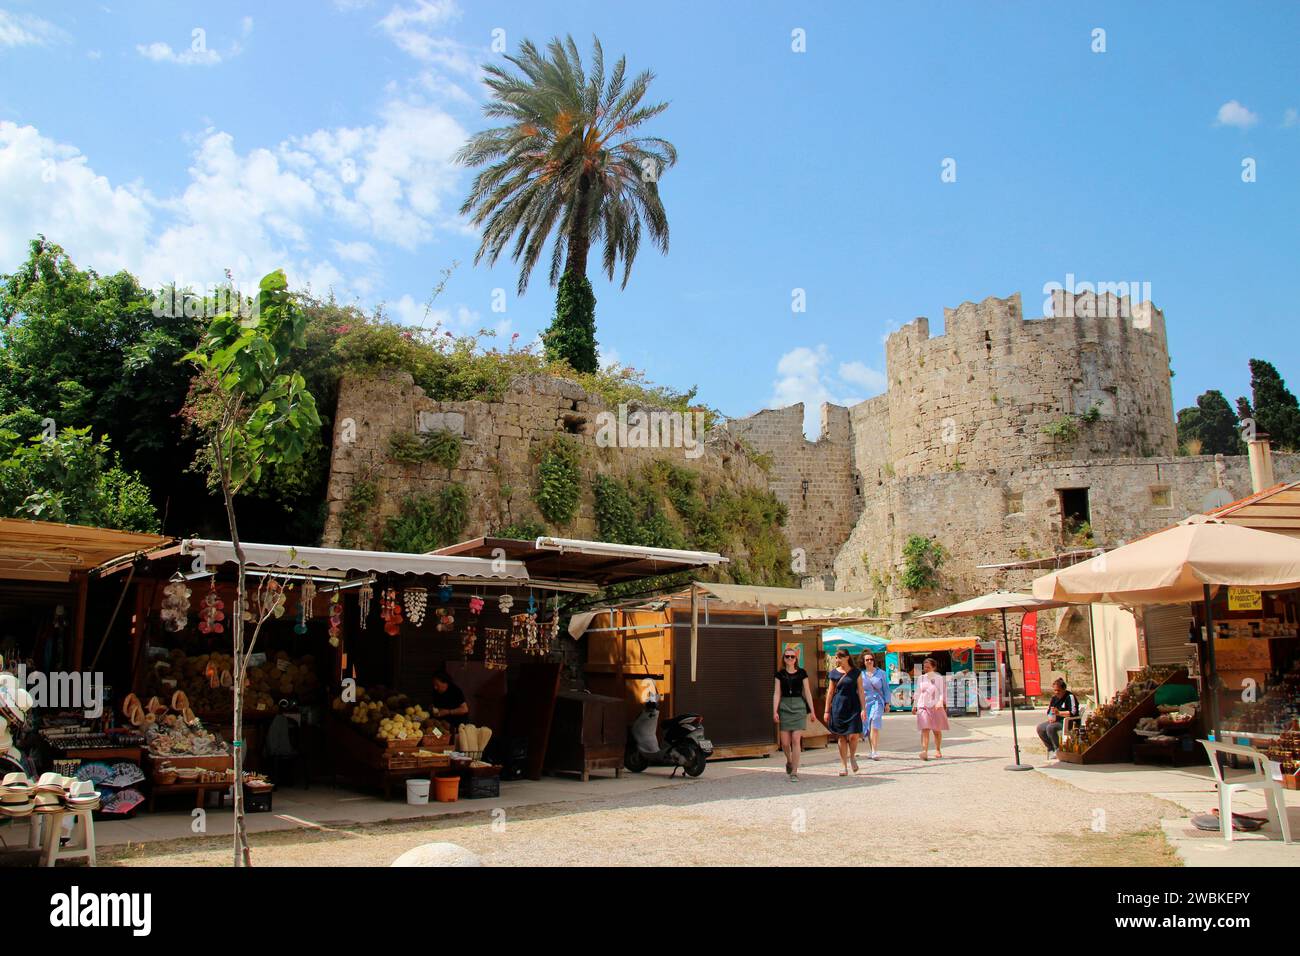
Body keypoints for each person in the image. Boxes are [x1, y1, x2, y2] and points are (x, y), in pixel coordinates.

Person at [773, 648, 817, 782]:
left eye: (793, 657)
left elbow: (807, 692)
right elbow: (777, 693)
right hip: (785, 705)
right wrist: (774, 710)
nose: (790, 659)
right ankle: (789, 760)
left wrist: (812, 711)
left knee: (796, 739)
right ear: (784, 658)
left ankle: (794, 772)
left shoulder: (802, 673)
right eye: (787, 657)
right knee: (785, 743)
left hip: (799, 706)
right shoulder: (779, 674)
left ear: (796, 659)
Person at [823, 648, 866, 776]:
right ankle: (843, 765)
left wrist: (864, 709)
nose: (838, 660)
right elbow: (830, 693)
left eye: (839, 657)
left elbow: (861, 691)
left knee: (854, 735)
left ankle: (852, 756)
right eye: (836, 657)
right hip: (838, 706)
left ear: (847, 657)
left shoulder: (856, 672)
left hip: (853, 705)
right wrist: (826, 711)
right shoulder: (834, 673)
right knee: (841, 737)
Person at [914, 657, 949, 761]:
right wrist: (914, 705)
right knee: (925, 729)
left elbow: (943, 692)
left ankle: (938, 749)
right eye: (925, 667)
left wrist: (941, 702)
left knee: (936, 730)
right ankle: (924, 751)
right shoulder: (921, 678)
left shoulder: (939, 679)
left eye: (928, 667)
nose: (926, 669)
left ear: (934, 667)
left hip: (935, 706)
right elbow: (917, 692)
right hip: (923, 705)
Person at [1037, 677, 1079, 762]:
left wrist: (1059, 713)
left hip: (1068, 721)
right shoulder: (1054, 698)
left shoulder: (1070, 697)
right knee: (1040, 728)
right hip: (1056, 720)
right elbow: (1049, 711)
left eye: (1058, 691)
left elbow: (1073, 713)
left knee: (1050, 728)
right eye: (1055, 690)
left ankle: (1058, 749)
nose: (1056, 693)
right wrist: (1050, 717)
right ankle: (1051, 748)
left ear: (1064, 689)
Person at [859, 650, 888, 760]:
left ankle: (875, 751)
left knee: (875, 722)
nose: (869, 661)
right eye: (867, 660)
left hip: (878, 701)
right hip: (866, 702)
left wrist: (887, 703)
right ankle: (872, 750)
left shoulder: (881, 673)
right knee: (868, 726)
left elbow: (886, 689)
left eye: (871, 659)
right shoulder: (860, 674)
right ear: (863, 661)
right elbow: (859, 690)